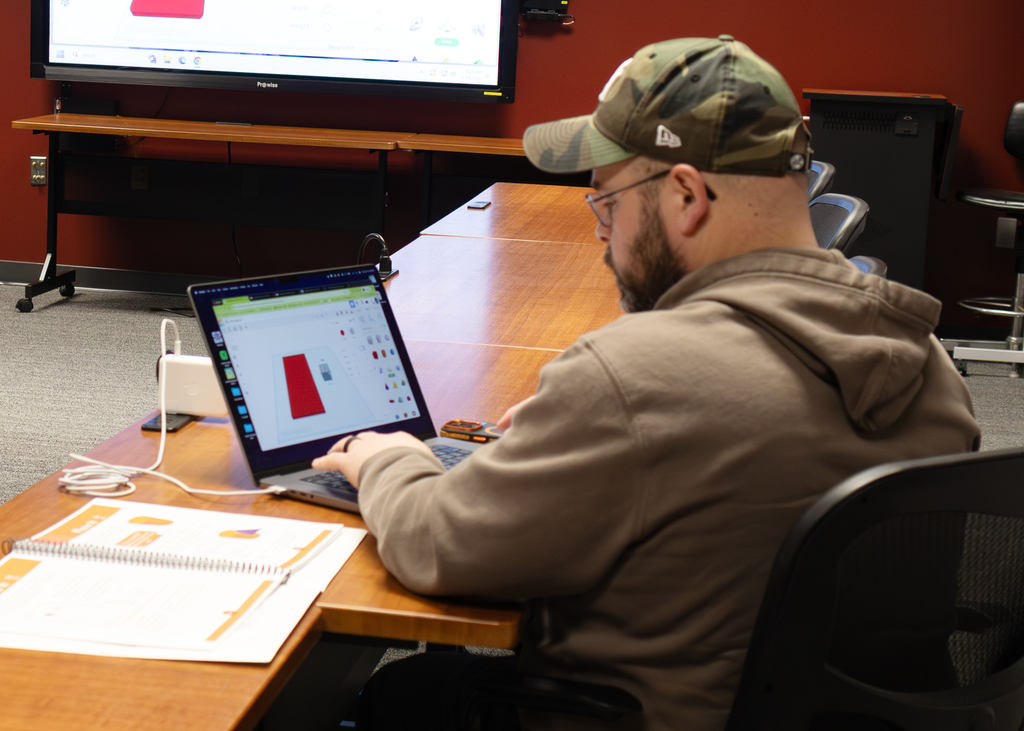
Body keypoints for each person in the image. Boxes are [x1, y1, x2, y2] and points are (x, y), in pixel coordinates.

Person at [314, 36, 980, 731]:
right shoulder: (929, 362)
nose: (604, 236)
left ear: (687, 195)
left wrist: (389, 460)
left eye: (608, 204)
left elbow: (438, 544)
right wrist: (581, 421)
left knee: (407, 693)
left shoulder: (634, 372)